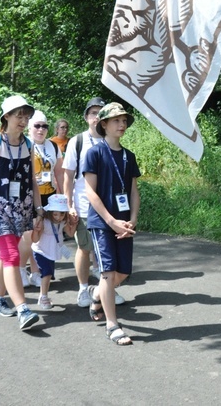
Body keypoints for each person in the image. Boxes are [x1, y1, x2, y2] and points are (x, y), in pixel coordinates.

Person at [0, 95, 42, 331]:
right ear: (6, 117)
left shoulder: (27, 144)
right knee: (13, 257)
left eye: (26, 115)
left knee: (5, 257)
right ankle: (23, 309)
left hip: (22, 208)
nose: (23, 120)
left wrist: (38, 210)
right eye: (19, 115)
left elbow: (32, 182)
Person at [83, 102, 140, 346]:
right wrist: (111, 221)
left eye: (124, 120)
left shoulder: (129, 156)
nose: (122, 124)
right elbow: (90, 192)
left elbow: (134, 191)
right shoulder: (94, 153)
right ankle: (112, 325)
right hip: (102, 222)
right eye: (116, 120)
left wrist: (133, 219)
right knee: (107, 272)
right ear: (103, 124)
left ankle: (96, 294)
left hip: (124, 223)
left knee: (124, 271)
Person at [63, 97, 125, 308]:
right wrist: (69, 204)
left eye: (101, 112)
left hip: (110, 207)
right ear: (86, 117)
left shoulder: (112, 140)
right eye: (93, 113)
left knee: (106, 251)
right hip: (83, 205)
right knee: (85, 248)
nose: (96, 116)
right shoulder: (77, 141)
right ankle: (83, 288)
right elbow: (68, 176)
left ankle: (104, 290)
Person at [20, 110, 63, 288]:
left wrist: (62, 197)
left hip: (49, 196)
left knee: (42, 236)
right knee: (30, 234)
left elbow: (59, 173)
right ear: (29, 127)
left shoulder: (53, 146)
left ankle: (37, 272)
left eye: (44, 126)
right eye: (37, 126)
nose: (41, 129)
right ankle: (21, 269)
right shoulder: (24, 144)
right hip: (28, 196)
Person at [31, 194, 75, 309]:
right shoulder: (44, 222)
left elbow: (70, 233)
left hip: (52, 251)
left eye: (61, 214)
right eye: (55, 214)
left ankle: (43, 294)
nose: (58, 217)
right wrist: (36, 231)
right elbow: (35, 239)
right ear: (49, 212)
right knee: (47, 274)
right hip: (41, 250)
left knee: (48, 274)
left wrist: (74, 224)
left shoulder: (63, 222)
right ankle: (43, 297)